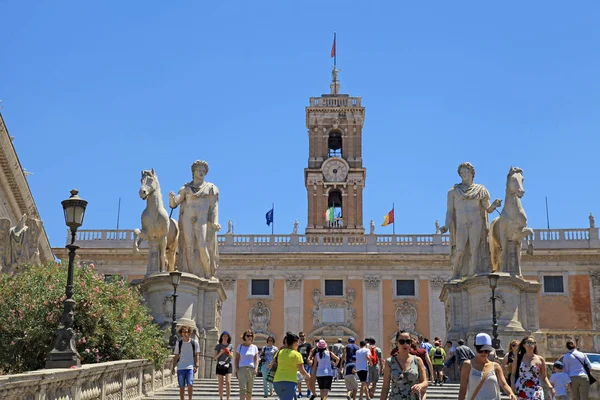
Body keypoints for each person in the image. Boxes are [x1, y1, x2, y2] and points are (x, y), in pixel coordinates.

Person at [439, 162, 502, 278]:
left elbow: (487, 209)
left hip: (476, 222)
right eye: (461, 172)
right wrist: (446, 226)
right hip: (461, 224)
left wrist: (494, 205)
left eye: (466, 172)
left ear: (472, 173)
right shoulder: (453, 192)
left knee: (475, 250)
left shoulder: (481, 190)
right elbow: (450, 211)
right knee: (460, 250)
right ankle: (455, 273)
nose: (463, 174)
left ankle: (473, 275)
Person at [168, 160, 220, 278]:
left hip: (202, 219)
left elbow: (214, 207)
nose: (201, 172)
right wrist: (171, 198)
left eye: (203, 171)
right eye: (199, 170)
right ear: (194, 172)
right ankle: (189, 274)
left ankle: (207, 273)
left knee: (202, 245)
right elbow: (174, 204)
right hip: (187, 218)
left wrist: (215, 221)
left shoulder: (211, 188)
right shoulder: (186, 188)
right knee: (188, 246)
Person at [458, 333, 516, 400]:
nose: (483, 353)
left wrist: (511, 393)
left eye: (486, 350)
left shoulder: (496, 366)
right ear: (475, 347)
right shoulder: (467, 365)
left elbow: (504, 384)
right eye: (480, 350)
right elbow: (463, 388)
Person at [379, 330, 428, 400]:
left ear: (411, 343)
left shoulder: (417, 360)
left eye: (408, 341)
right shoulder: (389, 362)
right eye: (402, 341)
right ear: (396, 343)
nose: (405, 344)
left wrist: (420, 385)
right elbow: (385, 387)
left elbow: (425, 382)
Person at [272, 332, 311, 400]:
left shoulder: (279, 352)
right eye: (297, 342)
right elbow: (302, 371)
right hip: (289, 382)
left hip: (277, 382)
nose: (298, 344)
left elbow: (274, 363)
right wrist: (308, 375)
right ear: (294, 343)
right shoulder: (297, 355)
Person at [172, 326, 199, 400]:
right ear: (181, 333)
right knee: (181, 387)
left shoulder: (194, 343)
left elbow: (197, 355)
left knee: (190, 384)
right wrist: (173, 367)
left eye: (187, 332)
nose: (185, 333)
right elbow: (176, 356)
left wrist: (196, 365)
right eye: (184, 332)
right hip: (181, 367)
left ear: (189, 333)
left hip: (190, 366)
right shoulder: (179, 343)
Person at [235, 329, 259, 400]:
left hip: (251, 370)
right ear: (244, 337)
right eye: (248, 335)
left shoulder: (254, 347)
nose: (249, 337)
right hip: (242, 369)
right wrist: (236, 369)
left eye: (251, 335)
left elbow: (256, 359)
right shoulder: (240, 347)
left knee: (249, 390)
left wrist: (256, 368)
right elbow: (236, 359)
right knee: (242, 389)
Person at [214, 331, 233, 400]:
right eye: (224, 336)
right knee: (221, 384)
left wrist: (228, 352)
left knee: (228, 382)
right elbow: (215, 358)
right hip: (220, 365)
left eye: (226, 336)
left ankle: (228, 398)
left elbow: (231, 357)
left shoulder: (230, 346)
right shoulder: (218, 346)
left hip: (228, 365)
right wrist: (221, 352)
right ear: (221, 337)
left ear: (228, 337)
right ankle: (221, 398)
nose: (225, 337)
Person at [297, 332, 313, 398]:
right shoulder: (297, 345)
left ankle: (309, 390)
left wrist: (310, 359)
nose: (302, 337)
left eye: (303, 336)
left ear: (305, 336)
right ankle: (300, 393)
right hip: (299, 364)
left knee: (307, 379)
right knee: (299, 380)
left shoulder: (308, 345)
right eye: (300, 336)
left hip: (306, 363)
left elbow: (311, 352)